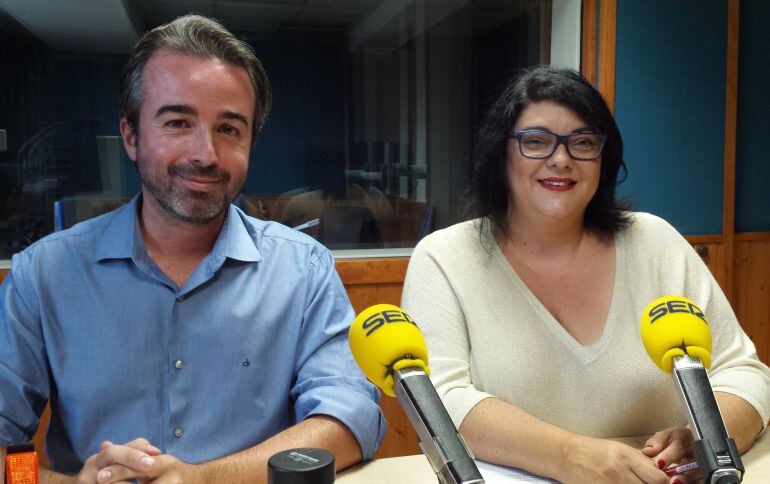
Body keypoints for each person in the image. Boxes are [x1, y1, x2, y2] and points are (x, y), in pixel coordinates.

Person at [0, 14, 385, 483]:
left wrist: (203, 478)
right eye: (179, 122)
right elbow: (5, 450)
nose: (205, 154)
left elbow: (348, 420)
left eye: (229, 129)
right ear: (130, 136)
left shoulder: (303, 269)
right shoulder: (42, 275)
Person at [401, 65, 770, 483]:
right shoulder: (445, 258)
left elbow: (744, 372)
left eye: (583, 142)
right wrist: (574, 457)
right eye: (536, 142)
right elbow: (439, 401)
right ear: (499, 154)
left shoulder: (656, 242)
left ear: (603, 157)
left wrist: (707, 435)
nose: (561, 159)